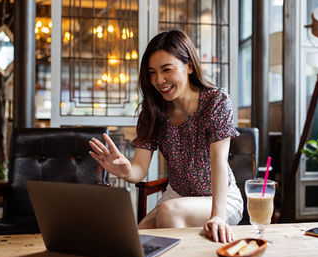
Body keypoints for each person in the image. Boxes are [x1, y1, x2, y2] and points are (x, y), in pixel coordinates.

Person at [89, 30, 243, 243]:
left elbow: (218, 161)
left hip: (219, 198)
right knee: (137, 236)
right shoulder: (153, 111)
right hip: (177, 195)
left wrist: (218, 216)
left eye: (166, 70)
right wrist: (125, 171)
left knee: (169, 212)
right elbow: (139, 169)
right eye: (152, 72)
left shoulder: (216, 101)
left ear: (189, 66)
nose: (158, 80)